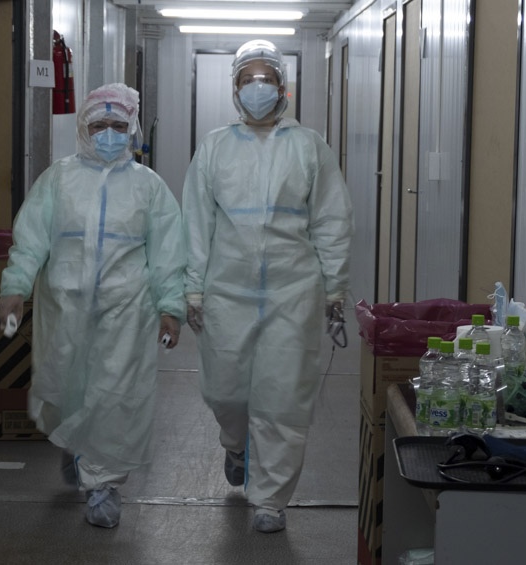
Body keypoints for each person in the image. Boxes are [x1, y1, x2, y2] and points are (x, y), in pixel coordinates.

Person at [181, 39, 353, 533]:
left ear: (283, 87)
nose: (258, 87)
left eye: (267, 78)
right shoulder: (215, 147)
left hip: (292, 292)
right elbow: (196, 223)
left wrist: (334, 288)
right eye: (247, 80)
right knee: (226, 392)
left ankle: (270, 499)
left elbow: (332, 221)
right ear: (234, 89)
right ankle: (236, 445)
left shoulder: (309, 147)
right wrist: (193, 288)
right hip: (227, 291)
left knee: (281, 398)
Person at [0, 83, 186, 529]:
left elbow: (167, 254)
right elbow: (31, 239)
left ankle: (103, 483)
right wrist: (15, 286)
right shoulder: (58, 179)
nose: (108, 134)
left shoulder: (149, 187)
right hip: (64, 307)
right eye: (99, 125)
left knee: (114, 395)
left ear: (131, 128)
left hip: (126, 309)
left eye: (118, 125)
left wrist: (170, 306)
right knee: (66, 389)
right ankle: (78, 445)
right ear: (83, 128)